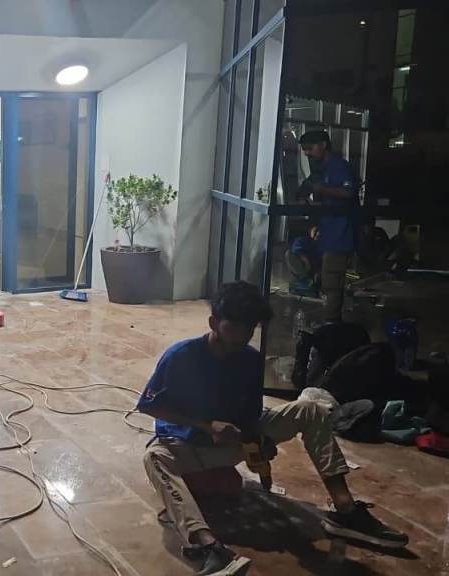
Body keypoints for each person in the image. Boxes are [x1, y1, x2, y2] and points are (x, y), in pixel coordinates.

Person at [138, 282, 408, 575]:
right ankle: (209, 547)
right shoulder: (181, 356)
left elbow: (251, 416)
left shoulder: (250, 359)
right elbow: (149, 405)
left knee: (310, 409)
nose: (242, 336)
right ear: (213, 322)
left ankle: (345, 510)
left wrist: (257, 443)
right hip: (191, 445)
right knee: (154, 458)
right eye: (233, 327)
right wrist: (206, 424)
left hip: (232, 442)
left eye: (249, 328)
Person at [297, 131, 359, 321]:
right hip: (327, 232)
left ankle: (331, 324)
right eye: (304, 150)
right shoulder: (321, 169)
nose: (307, 153)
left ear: (323, 144)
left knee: (332, 282)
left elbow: (348, 193)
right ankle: (329, 319)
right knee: (324, 278)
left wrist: (322, 189)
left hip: (340, 234)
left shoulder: (338, 166)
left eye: (310, 148)